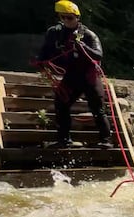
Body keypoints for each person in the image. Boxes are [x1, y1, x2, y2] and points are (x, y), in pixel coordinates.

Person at [36, 1, 113, 149]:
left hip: (89, 76)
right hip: (72, 76)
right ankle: (64, 139)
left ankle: (106, 140)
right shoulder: (56, 33)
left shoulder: (88, 35)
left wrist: (84, 47)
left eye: (69, 18)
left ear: (77, 18)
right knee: (61, 103)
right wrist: (40, 61)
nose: (66, 21)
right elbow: (46, 50)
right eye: (63, 17)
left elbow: (99, 54)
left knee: (97, 108)